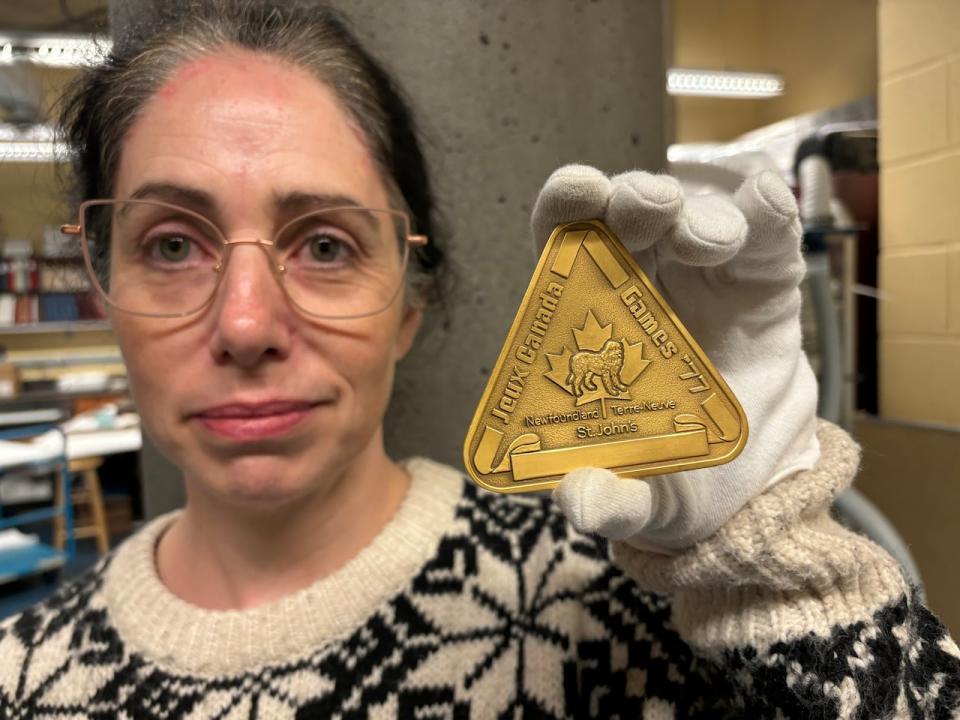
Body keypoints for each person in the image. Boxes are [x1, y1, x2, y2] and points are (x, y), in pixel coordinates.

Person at [1, 1, 957, 717]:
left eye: (326, 246)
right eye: (172, 244)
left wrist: (785, 583)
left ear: (410, 309)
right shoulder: (22, 674)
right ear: (101, 284)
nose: (246, 324)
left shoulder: (613, 612)